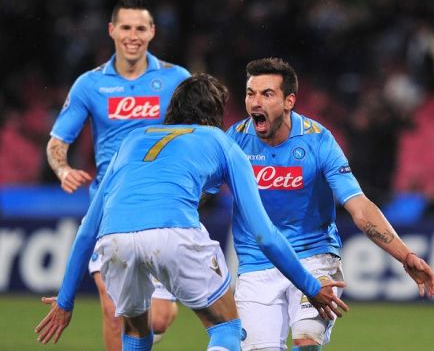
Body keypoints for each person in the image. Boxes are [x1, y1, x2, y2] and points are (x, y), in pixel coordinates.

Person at [34, 74, 349, 351]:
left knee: (136, 330)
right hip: (175, 232)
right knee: (226, 328)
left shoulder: (132, 139)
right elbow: (263, 233)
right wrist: (310, 286)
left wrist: (65, 301)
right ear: (215, 112)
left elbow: (89, 229)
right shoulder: (220, 141)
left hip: (113, 240)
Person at [226, 58, 434, 350]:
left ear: (289, 101)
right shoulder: (233, 141)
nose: (255, 102)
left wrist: (405, 255)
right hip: (256, 263)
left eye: (267, 94)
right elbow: (200, 190)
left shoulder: (318, 141)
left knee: (306, 340)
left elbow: (359, 207)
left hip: (314, 258)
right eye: (251, 93)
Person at [45, 0, 190, 349]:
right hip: (111, 207)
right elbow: (56, 144)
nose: (132, 37)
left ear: (152, 32)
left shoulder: (176, 79)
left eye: (140, 29)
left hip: (164, 208)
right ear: (111, 30)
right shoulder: (90, 85)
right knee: (114, 312)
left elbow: (200, 135)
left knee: (157, 318)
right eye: (125, 28)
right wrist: (63, 170)